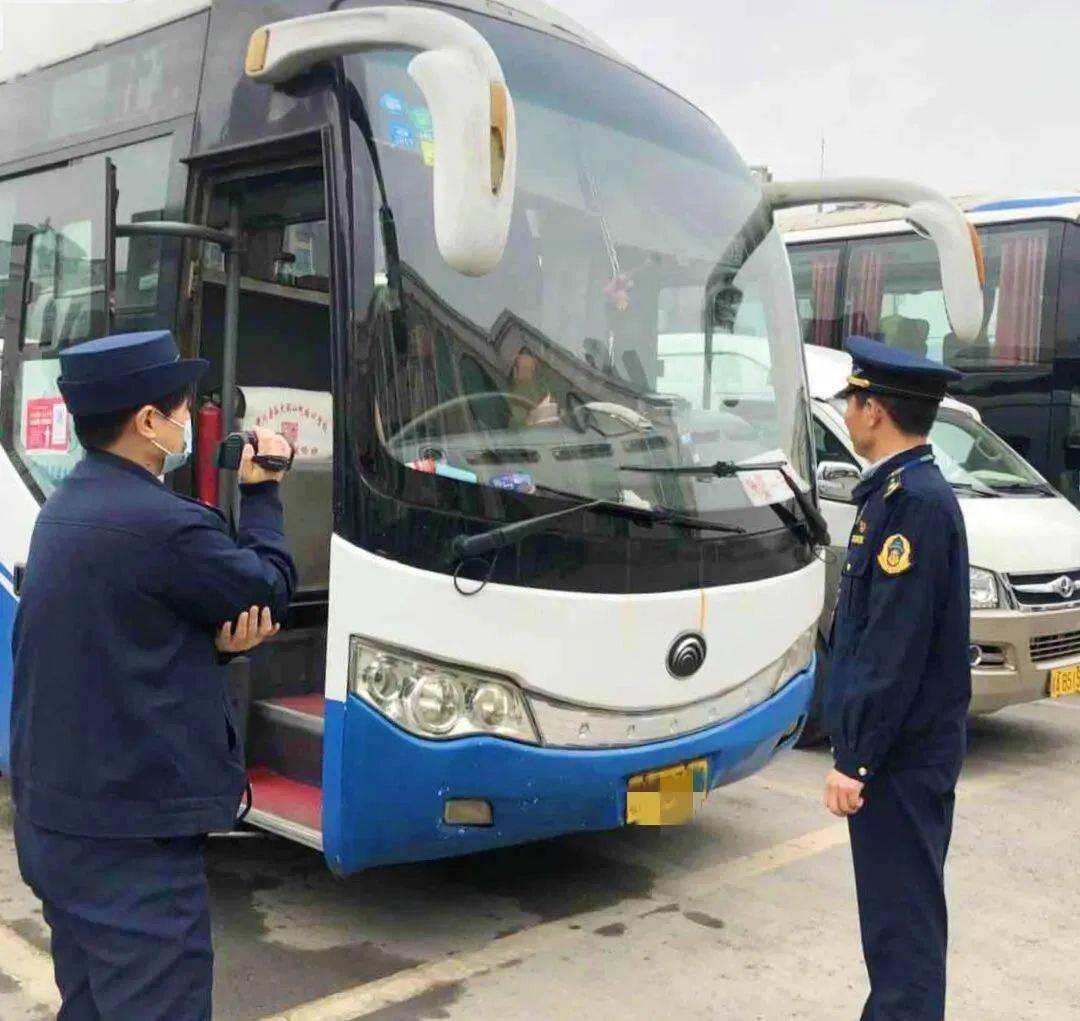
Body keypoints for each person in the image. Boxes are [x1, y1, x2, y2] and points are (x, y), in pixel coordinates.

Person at [10, 330, 297, 1020]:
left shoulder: (65, 510)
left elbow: (120, 643)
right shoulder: (163, 525)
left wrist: (211, 648)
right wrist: (262, 491)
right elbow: (270, 588)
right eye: (182, 408)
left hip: (57, 827)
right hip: (129, 848)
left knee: (90, 1004)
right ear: (147, 421)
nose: (188, 421)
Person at [823, 335, 970, 1021]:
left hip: (900, 761)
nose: (847, 413)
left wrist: (856, 758)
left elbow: (893, 647)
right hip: (901, 755)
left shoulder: (914, 504)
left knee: (902, 928)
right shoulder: (895, 494)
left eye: (851, 401)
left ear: (874, 410)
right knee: (894, 926)